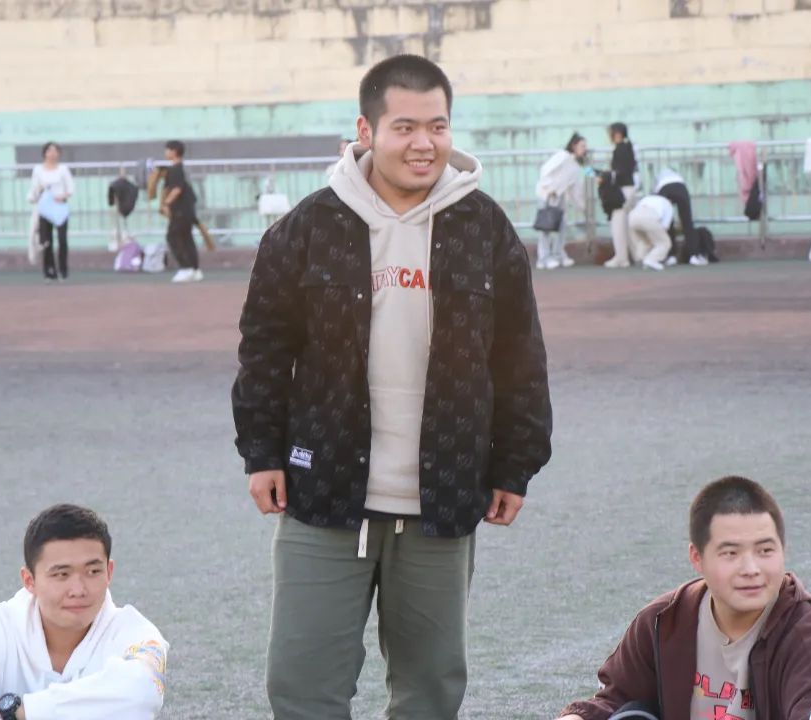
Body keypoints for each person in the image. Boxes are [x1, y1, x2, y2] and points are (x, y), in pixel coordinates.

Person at [232, 54, 552, 720]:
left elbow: (519, 357)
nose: (423, 143)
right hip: (323, 495)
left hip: (443, 498)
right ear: (366, 130)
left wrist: (514, 466)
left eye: (437, 126)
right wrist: (261, 453)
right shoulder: (308, 227)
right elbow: (264, 349)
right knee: (302, 687)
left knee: (429, 691)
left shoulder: (485, 229)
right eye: (404, 127)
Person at [556, 476, 811, 720]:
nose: (751, 569)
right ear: (697, 558)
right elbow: (613, 702)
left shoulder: (809, 637)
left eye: (765, 550)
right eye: (731, 553)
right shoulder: (662, 621)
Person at [0, 504, 168, 720]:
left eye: (93, 571)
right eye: (62, 574)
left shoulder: (135, 633)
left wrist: (19, 711)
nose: (78, 590)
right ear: (29, 580)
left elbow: (142, 690)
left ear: (109, 572)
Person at [534, 132, 589, 269]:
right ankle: (543, 258)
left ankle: (558, 254)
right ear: (574, 145)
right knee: (545, 227)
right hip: (547, 195)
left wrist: (583, 207)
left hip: (560, 197)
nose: (584, 149)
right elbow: (545, 169)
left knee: (562, 226)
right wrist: (549, 187)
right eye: (582, 146)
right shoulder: (562, 156)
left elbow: (574, 189)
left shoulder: (575, 165)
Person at [26, 142, 74, 281]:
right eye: (49, 151)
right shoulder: (38, 170)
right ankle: (49, 270)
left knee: (62, 239)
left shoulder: (63, 169)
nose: (52, 154)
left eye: (55, 151)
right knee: (46, 240)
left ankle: (63, 270)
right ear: (45, 153)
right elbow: (34, 187)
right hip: (44, 208)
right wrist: (38, 193)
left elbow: (70, 188)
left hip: (59, 207)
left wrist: (62, 196)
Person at [160, 140, 203, 283]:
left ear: (174, 151)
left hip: (180, 210)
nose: (166, 152)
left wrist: (166, 203)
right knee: (187, 238)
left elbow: (176, 189)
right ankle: (195, 270)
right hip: (188, 209)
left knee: (173, 237)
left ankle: (186, 268)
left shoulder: (175, 169)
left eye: (167, 150)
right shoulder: (181, 169)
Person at [654, 168, 711, 266]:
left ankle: (671, 256)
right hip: (680, 189)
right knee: (687, 223)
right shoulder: (678, 176)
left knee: (668, 224)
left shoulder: (658, 176)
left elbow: (655, 193)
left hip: (664, 189)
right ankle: (693, 256)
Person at [603, 123, 638, 268]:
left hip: (623, 190)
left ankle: (621, 258)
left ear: (617, 133)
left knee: (618, 226)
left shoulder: (620, 149)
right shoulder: (628, 147)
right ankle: (635, 255)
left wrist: (606, 176)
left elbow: (620, 172)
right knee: (627, 226)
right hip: (629, 189)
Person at [627, 193, 674, 271]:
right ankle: (652, 259)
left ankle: (641, 258)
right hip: (649, 217)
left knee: (645, 241)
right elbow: (665, 226)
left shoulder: (646, 199)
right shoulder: (667, 203)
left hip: (632, 217)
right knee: (664, 242)